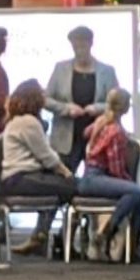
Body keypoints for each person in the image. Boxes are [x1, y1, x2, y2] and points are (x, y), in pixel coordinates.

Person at [1, 79, 78, 256]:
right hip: (21, 178)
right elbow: (47, 157)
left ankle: (40, 236)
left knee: (56, 190)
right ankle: (54, 238)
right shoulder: (28, 123)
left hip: (17, 178)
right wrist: (67, 174)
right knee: (74, 187)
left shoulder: (16, 121)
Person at [81, 87, 140, 260]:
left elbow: (86, 133)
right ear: (126, 108)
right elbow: (116, 169)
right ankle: (118, 236)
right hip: (96, 178)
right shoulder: (116, 132)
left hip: (89, 177)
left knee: (136, 195)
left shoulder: (100, 122)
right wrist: (130, 182)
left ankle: (120, 239)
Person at [45, 25, 119, 173]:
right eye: (75, 46)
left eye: (82, 45)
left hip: (97, 135)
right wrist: (66, 109)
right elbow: (46, 99)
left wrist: (96, 108)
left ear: (91, 44)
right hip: (65, 138)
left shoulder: (107, 71)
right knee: (63, 183)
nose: (79, 50)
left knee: (95, 181)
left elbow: (117, 104)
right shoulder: (60, 68)